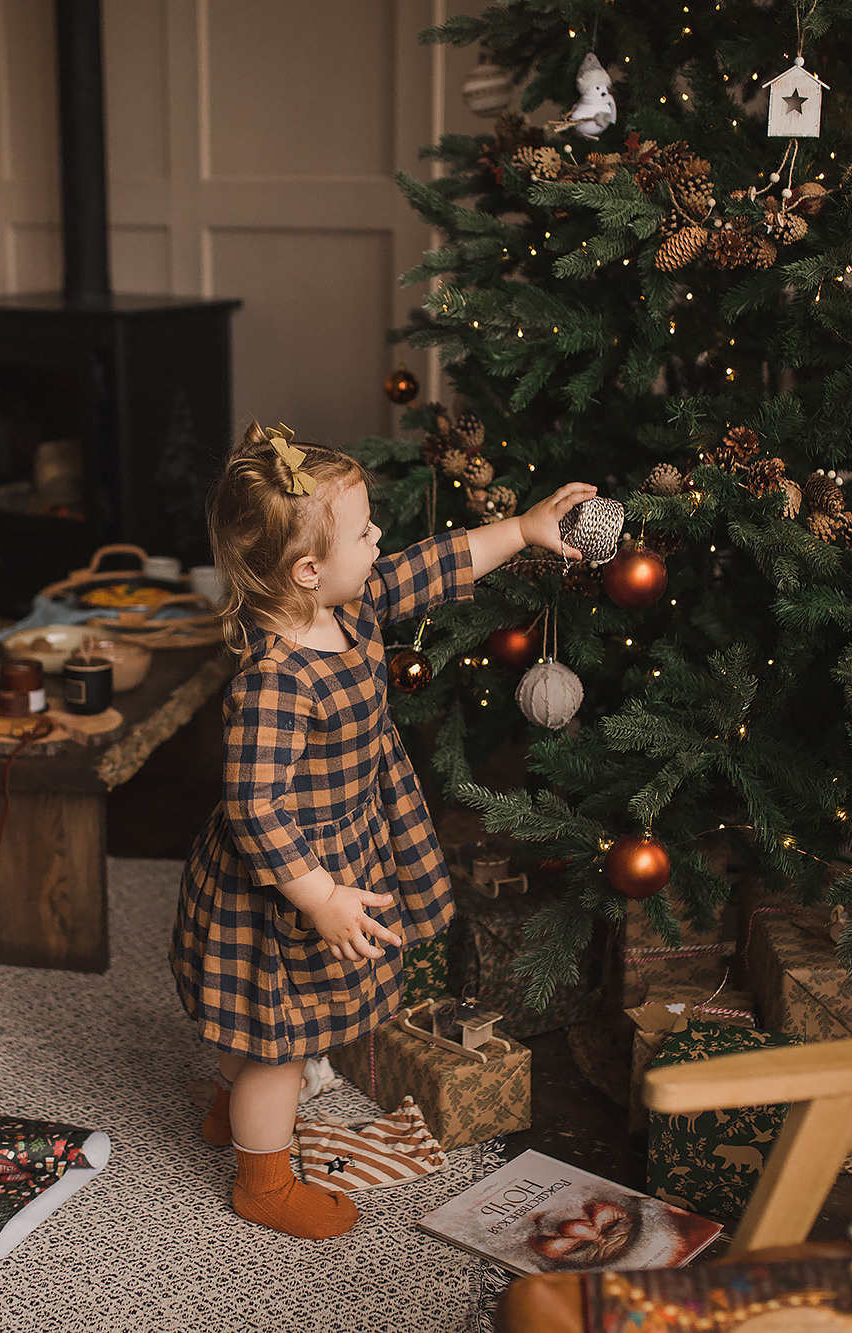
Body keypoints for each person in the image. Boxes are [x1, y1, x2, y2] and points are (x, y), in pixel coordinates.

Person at [172, 421, 594, 1239]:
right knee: (279, 1043)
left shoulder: (350, 607)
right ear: (306, 570)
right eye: (363, 532)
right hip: (286, 882)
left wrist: (524, 526)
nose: (379, 540)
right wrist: (321, 897)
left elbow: (430, 568)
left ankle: (236, 1103)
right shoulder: (275, 681)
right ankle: (261, 1178)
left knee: (276, 1032)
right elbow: (255, 808)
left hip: (346, 837)